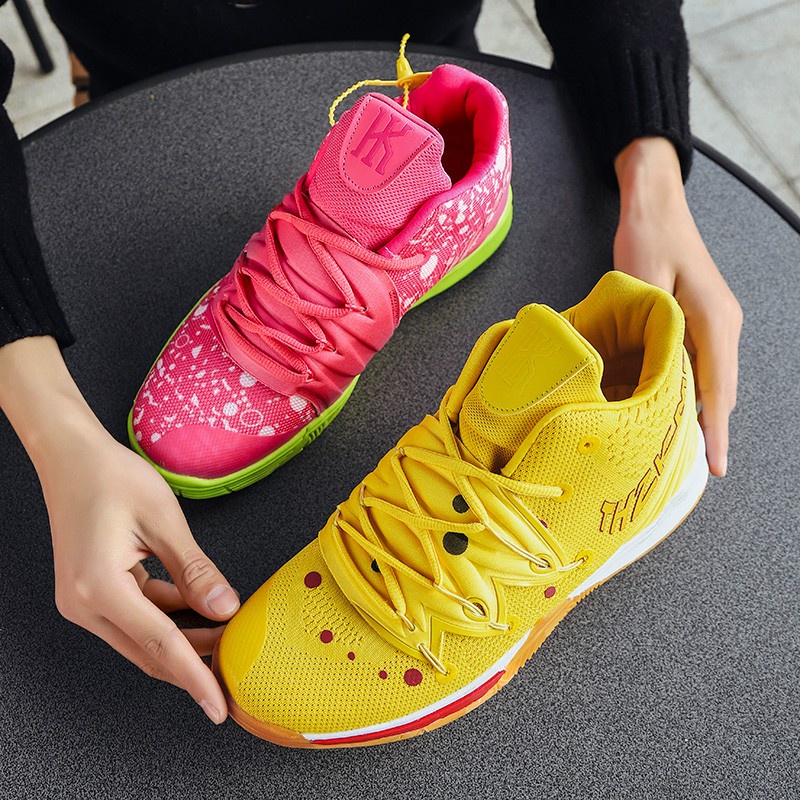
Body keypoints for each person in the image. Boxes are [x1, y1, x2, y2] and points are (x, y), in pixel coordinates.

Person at [0, 0, 742, 726]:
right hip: (123, 73)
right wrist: (52, 423)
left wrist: (651, 180)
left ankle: (634, 462)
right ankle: (357, 229)